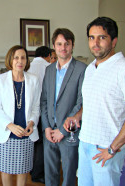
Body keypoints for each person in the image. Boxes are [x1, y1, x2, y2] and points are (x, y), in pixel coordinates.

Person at [63, 17, 125, 186]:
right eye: (91, 37)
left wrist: (113, 148)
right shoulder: (91, 68)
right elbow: (92, 101)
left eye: (102, 37)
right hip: (85, 142)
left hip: (106, 148)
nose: (95, 43)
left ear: (114, 41)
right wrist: (78, 116)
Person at [0, 45, 41, 186]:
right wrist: (10, 125)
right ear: (10, 60)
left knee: (23, 170)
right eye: (16, 57)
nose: (20, 61)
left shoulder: (34, 80)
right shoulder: (1, 79)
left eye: (23, 57)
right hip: (6, 132)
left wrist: (32, 122)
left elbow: (36, 106)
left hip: (25, 132)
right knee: (5, 170)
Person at [40, 28, 87, 186]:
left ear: (72, 45)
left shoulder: (81, 69)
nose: (63, 48)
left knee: (68, 176)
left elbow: (81, 102)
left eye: (67, 44)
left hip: (69, 133)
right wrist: (46, 127)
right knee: (50, 175)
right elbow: (44, 101)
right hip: (49, 133)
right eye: (59, 44)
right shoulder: (49, 70)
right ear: (54, 46)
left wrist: (62, 129)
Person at [27, 45, 51, 184]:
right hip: (42, 110)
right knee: (41, 144)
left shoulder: (28, 66)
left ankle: (30, 168)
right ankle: (37, 173)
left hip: (28, 112)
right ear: (48, 55)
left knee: (32, 142)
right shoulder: (49, 67)